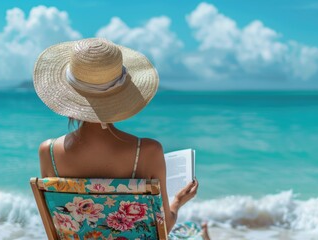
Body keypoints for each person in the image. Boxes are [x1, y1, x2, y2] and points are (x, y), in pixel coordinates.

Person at [34, 38, 210, 239]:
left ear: (69, 97)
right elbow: (163, 228)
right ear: (119, 98)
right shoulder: (146, 151)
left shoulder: (48, 152)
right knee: (191, 231)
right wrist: (178, 201)